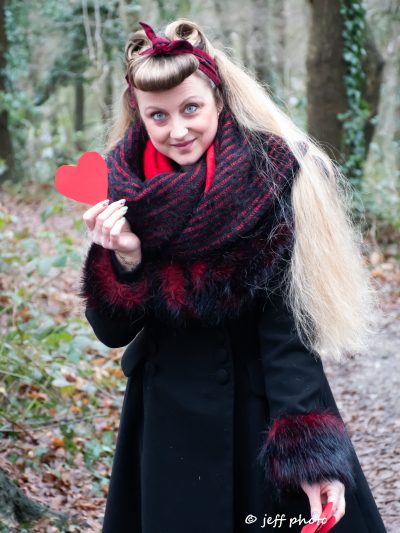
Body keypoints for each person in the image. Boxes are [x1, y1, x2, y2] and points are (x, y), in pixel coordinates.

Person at [79, 19, 387, 533]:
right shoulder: (120, 186)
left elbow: (289, 329)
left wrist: (309, 457)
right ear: (139, 113)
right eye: (159, 115)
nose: (177, 129)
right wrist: (125, 258)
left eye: (190, 108)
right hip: (165, 423)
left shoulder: (269, 176)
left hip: (255, 411)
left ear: (218, 99)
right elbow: (111, 332)